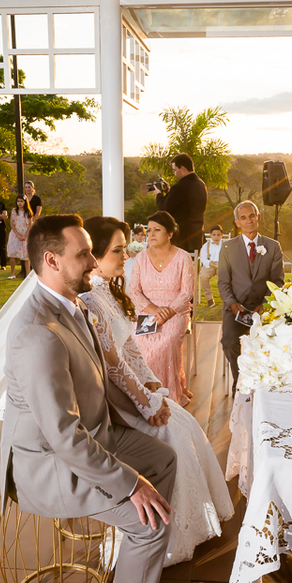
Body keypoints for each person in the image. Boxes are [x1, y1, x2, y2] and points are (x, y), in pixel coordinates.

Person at [0, 213, 182, 583]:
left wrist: (145, 403)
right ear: (51, 260)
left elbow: (102, 376)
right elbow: (63, 437)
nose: (92, 262)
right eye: (82, 254)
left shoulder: (74, 303)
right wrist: (130, 483)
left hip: (94, 435)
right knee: (149, 518)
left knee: (165, 458)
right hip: (49, 463)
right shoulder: (37, 333)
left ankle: (135, 578)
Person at [81, 216, 234, 564]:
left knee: (185, 423)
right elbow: (114, 364)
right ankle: (163, 537)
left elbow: (129, 349)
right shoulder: (90, 299)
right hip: (116, 405)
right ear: (96, 255)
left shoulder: (106, 289)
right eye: (119, 251)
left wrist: (152, 383)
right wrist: (149, 404)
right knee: (176, 433)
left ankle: (190, 525)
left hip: (159, 342)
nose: (126, 255)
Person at [128, 211, 195, 404]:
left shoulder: (183, 258)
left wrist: (167, 312)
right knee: (137, 341)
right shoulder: (140, 258)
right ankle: (144, 394)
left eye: (157, 230)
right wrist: (153, 310)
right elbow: (134, 291)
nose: (151, 234)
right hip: (147, 311)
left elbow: (186, 293)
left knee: (167, 342)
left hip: (176, 312)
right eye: (149, 230)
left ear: (170, 234)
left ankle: (170, 395)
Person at [217, 200, 284, 391]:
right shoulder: (227, 248)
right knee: (229, 341)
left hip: (263, 308)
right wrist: (231, 303)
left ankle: (266, 381)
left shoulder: (273, 246)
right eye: (243, 218)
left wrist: (266, 304)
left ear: (258, 218)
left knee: (275, 339)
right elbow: (223, 282)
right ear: (237, 222)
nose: (249, 221)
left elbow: (278, 281)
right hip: (235, 308)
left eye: (252, 216)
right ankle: (241, 382)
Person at [154, 153, 208, 252]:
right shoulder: (201, 185)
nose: (175, 173)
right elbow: (183, 204)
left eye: (175, 170)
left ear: (182, 168)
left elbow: (165, 209)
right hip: (197, 238)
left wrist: (159, 195)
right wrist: (170, 192)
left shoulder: (179, 187)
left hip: (181, 239)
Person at [7, 195, 32, 279]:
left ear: (25, 202)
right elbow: (12, 224)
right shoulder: (14, 211)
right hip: (15, 234)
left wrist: (25, 235)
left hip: (25, 234)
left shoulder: (28, 212)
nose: (19, 203)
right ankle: (12, 273)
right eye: (18, 201)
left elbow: (30, 225)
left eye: (21, 201)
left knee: (26, 255)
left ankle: (27, 274)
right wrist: (17, 234)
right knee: (12, 254)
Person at [198, 225, 224, 306]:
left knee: (227, 277)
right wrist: (210, 263)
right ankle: (209, 298)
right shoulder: (206, 245)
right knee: (203, 276)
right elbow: (203, 258)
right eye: (214, 235)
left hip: (222, 265)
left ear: (222, 235)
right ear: (210, 235)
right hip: (210, 265)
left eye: (218, 235)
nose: (216, 237)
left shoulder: (225, 244)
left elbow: (230, 257)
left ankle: (226, 298)